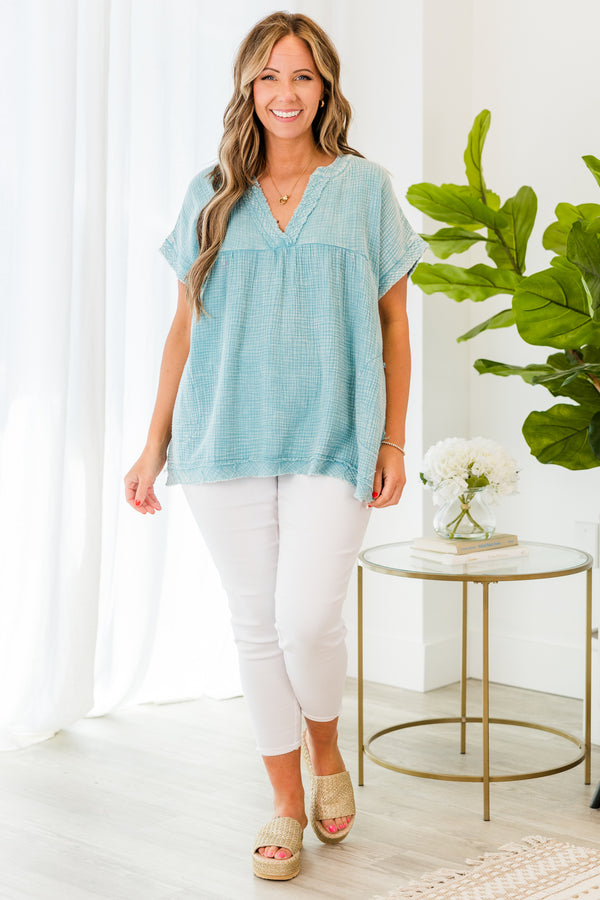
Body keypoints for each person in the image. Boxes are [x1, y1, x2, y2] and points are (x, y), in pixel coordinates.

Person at [124, 10, 425, 882]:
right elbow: (183, 329)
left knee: (306, 620)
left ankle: (326, 748)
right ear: (247, 88)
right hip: (224, 434)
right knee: (256, 628)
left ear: (325, 88)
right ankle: (287, 801)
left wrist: (393, 440)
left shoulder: (364, 189)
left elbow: (395, 326)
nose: (284, 93)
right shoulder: (210, 192)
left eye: (301, 76)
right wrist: (152, 446)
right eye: (268, 76)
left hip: (335, 435)